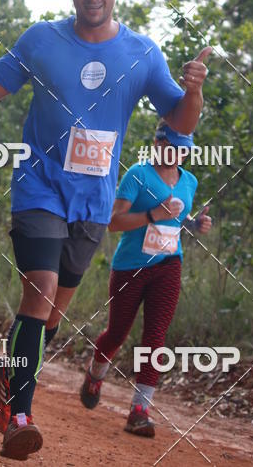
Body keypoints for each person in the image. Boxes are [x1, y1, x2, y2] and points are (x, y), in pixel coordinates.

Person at [0, 0, 211, 460]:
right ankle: (20, 419)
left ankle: (12, 368)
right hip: (39, 188)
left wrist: (193, 91)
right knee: (42, 290)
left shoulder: (142, 54)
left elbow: (182, 123)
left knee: (52, 315)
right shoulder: (41, 40)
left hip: (94, 203)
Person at [79, 120, 212, 436]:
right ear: (158, 144)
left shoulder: (189, 181)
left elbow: (179, 216)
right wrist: (154, 214)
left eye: (184, 150)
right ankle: (96, 372)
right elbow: (114, 222)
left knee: (155, 336)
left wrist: (194, 225)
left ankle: (140, 410)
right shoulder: (137, 175)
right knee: (117, 333)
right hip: (130, 267)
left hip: (168, 265)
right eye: (173, 147)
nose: (177, 154)